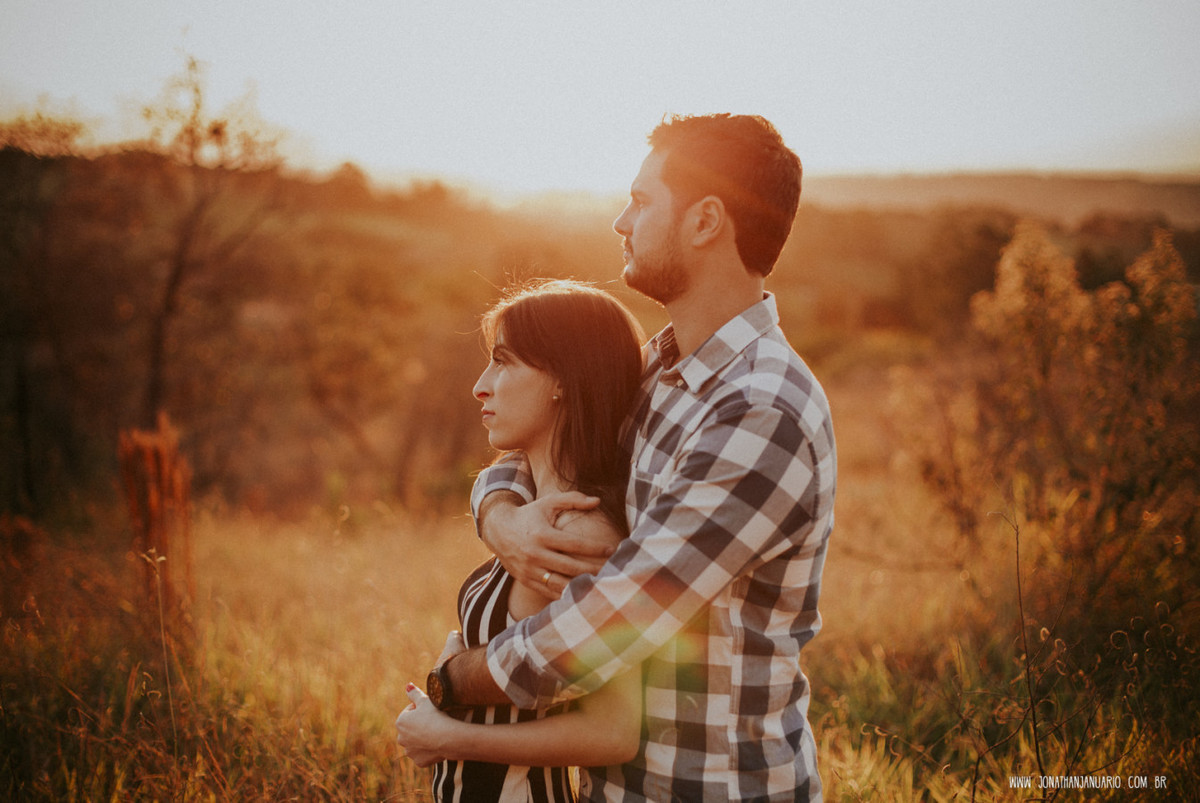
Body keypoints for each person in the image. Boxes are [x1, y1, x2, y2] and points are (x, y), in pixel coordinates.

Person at [400, 114, 837, 802]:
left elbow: (607, 624)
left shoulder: (760, 411)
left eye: (640, 201)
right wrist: (503, 519)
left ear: (705, 221)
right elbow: (547, 440)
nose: (620, 222)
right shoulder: (658, 369)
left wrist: (451, 681)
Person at [396, 279, 647, 802]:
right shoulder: (529, 503)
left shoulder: (580, 535)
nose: (480, 386)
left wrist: (445, 735)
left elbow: (613, 730)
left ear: (562, 380)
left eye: (503, 362)